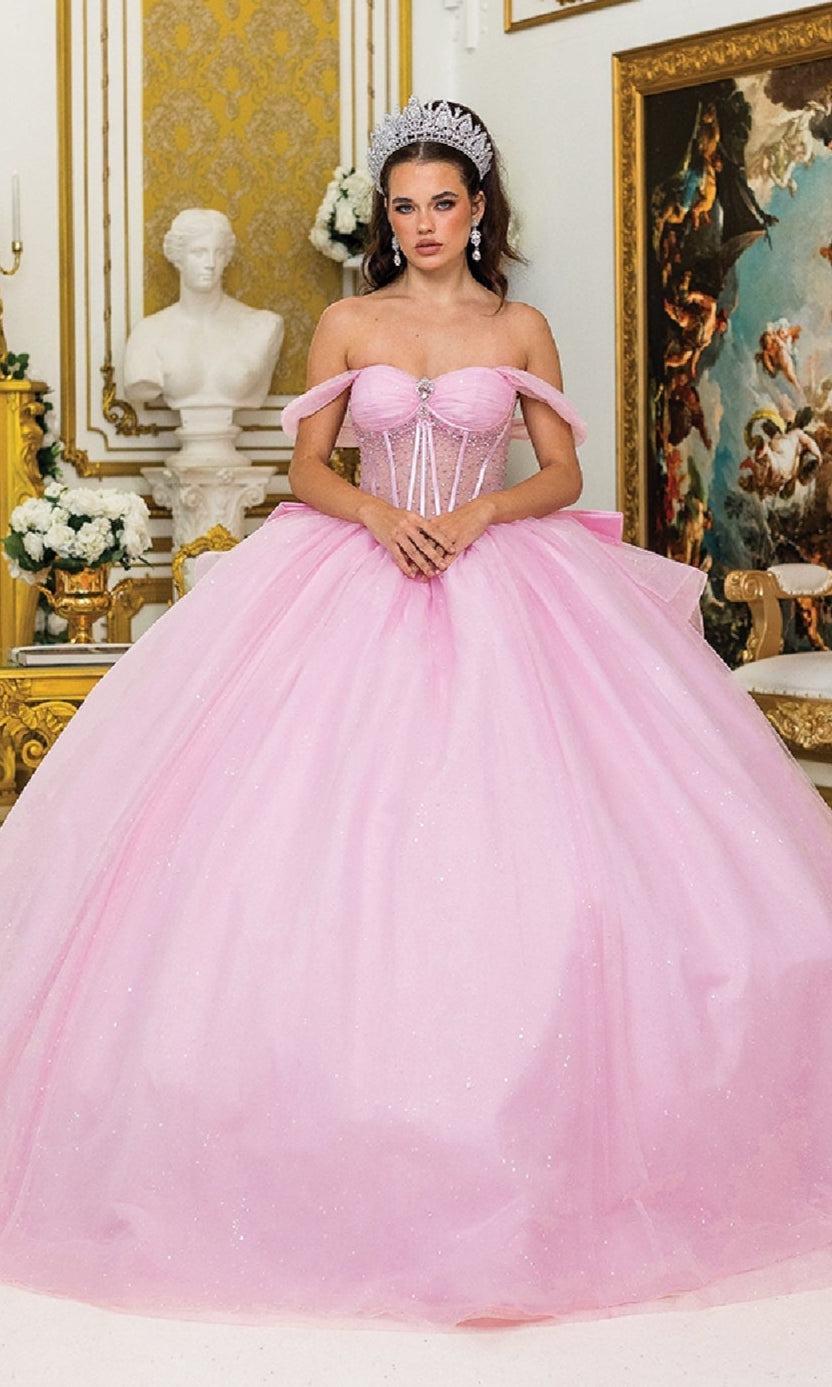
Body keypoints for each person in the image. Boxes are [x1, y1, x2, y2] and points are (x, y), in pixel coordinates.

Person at [2, 97, 832, 1329]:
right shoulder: (346, 319)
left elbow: (560, 473)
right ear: (384, 219)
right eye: (404, 205)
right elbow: (309, 468)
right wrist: (382, 517)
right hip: (357, 565)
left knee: (552, 846)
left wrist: (477, 518)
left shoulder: (519, 324)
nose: (425, 223)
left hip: (499, 567)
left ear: (478, 209)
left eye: (444, 202)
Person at [123, 207, 284, 412]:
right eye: (199, 253)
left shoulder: (262, 326)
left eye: (218, 253)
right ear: (177, 257)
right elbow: (139, 386)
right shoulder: (148, 333)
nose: (210, 263)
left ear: (226, 258)